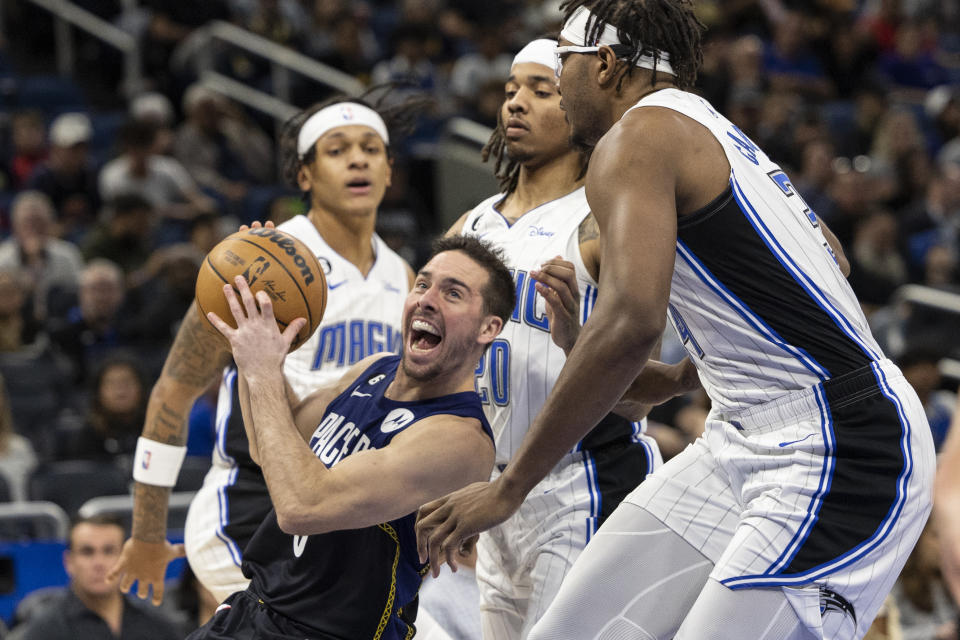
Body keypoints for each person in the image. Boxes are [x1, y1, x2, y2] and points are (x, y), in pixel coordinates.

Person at [416, 2, 936, 639]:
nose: (560, 82)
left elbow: (633, 323)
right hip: (741, 433)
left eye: (563, 65)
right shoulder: (710, 129)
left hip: (844, 445)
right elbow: (829, 253)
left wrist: (510, 487)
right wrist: (687, 374)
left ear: (604, 66)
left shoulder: (634, 139)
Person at [108, 94, 417, 607]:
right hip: (254, 506)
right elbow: (173, 391)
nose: (358, 159)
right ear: (304, 175)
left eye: (370, 148)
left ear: (389, 170)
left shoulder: (403, 275)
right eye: (337, 150)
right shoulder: (253, 264)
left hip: (351, 506)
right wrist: (146, 532)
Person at [443, 38, 684, 639]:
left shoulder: (607, 220)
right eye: (509, 91)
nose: (516, 104)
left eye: (540, 91)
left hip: (585, 480)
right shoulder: (468, 227)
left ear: (577, 104)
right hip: (494, 492)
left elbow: (639, 396)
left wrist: (578, 338)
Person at [187, 234, 514, 639]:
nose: (428, 299)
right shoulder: (374, 369)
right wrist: (253, 332)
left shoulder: (459, 439)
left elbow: (301, 505)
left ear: (489, 327)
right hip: (258, 607)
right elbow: (269, 444)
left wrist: (263, 370)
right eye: (423, 284)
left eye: (453, 293)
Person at [16, 515, 180, 640]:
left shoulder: (157, 625)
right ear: (69, 562)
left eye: (109, 551)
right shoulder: (45, 630)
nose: (99, 563)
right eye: (87, 552)